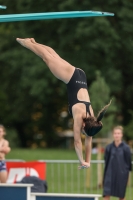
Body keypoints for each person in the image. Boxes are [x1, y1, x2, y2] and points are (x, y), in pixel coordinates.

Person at [16, 38, 111, 169]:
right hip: (70, 77)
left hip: (80, 74)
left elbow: (89, 141)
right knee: (46, 57)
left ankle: (34, 42)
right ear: (84, 126)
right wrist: (81, 161)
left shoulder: (92, 119)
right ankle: (27, 43)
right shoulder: (79, 116)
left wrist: (87, 162)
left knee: (53, 56)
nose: (83, 134)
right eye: (84, 132)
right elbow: (77, 142)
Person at [103, 126, 132, 200]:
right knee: (106, 194)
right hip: (109, 174)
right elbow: (106, 160)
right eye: (115, 133)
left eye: (118, 133)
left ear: (122, 135)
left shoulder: (126, 148)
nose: (117, 135)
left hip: (121, 175)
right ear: (113, 135)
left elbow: (128, 162)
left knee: (121, 196)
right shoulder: (109, 147)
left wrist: (126, 173)